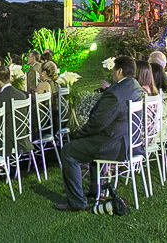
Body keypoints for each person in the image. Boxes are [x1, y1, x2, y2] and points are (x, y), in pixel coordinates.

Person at [55, 56, 143, 212]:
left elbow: (97, 123)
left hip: (113, 145)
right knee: (89, 148)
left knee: (69, 151)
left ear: (120, 71)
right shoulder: (135, 86)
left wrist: (80, 135)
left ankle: (77, 202)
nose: (112, 74)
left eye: (114, 70)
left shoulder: (115, 93)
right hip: (130, 142)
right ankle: (96, 190)